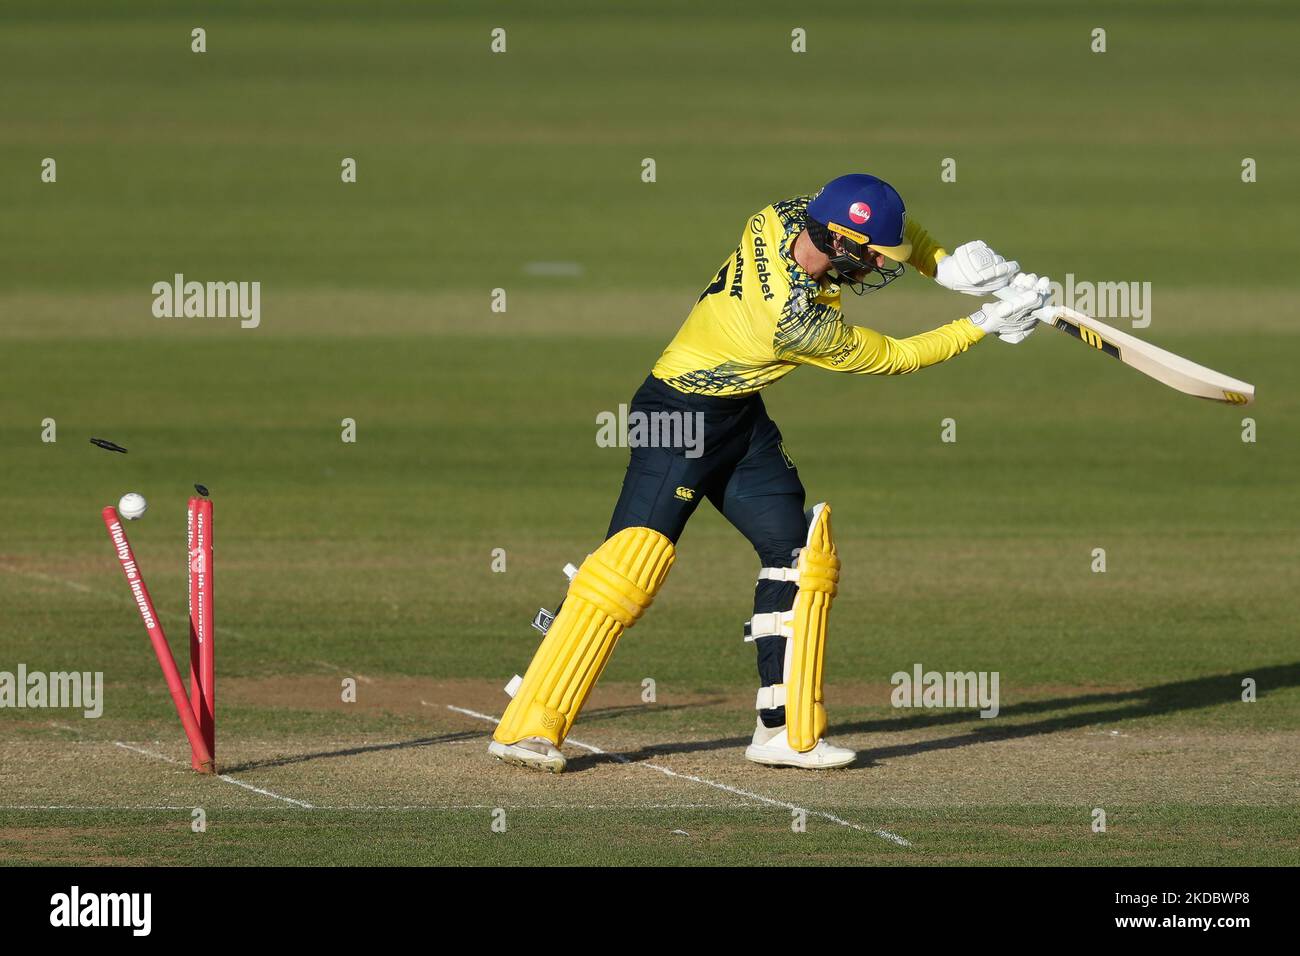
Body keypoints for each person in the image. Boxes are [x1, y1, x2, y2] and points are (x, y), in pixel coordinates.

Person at [489, 173, 1050, 772]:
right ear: (836, 244)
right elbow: (895, 357)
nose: (877, 269)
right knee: (629, 567)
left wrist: (943, 267)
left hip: (738, 416)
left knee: (797, 556)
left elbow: (871, 217)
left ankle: (780, 731)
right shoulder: (794, 320)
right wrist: (984, 324)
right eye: (872, 258)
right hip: (675, 418)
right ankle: (530, 725)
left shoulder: (784, 214)